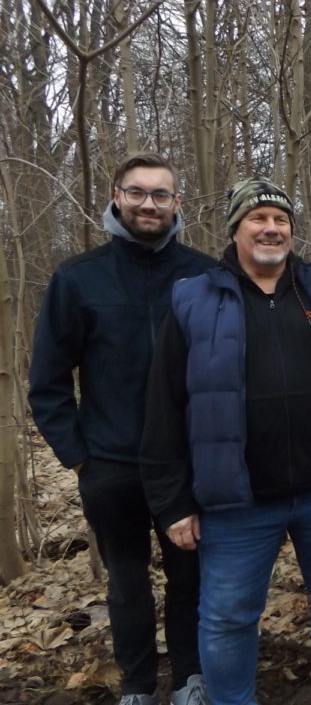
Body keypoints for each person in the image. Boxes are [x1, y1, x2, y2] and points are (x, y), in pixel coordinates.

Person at [140, 179, 311, 705]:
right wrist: (171, 501)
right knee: (227, 617)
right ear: (236, 230)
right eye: (257, 218)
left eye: (281, 220)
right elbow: (163, 408)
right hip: (236, 501)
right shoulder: (196, 299)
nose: (271, 228)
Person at [28, 153, 213, 705]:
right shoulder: (78, 279)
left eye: (161, 194)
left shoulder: (204, 275)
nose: (149, 204)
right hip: (110, 463)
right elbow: (48, 380)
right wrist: (78, 455)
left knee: (191, 580)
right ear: (115, 197)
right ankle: (136, 687)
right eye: (137, 193)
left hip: (189, 465)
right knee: (127, 582)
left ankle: (189, 680)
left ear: (178, 203)